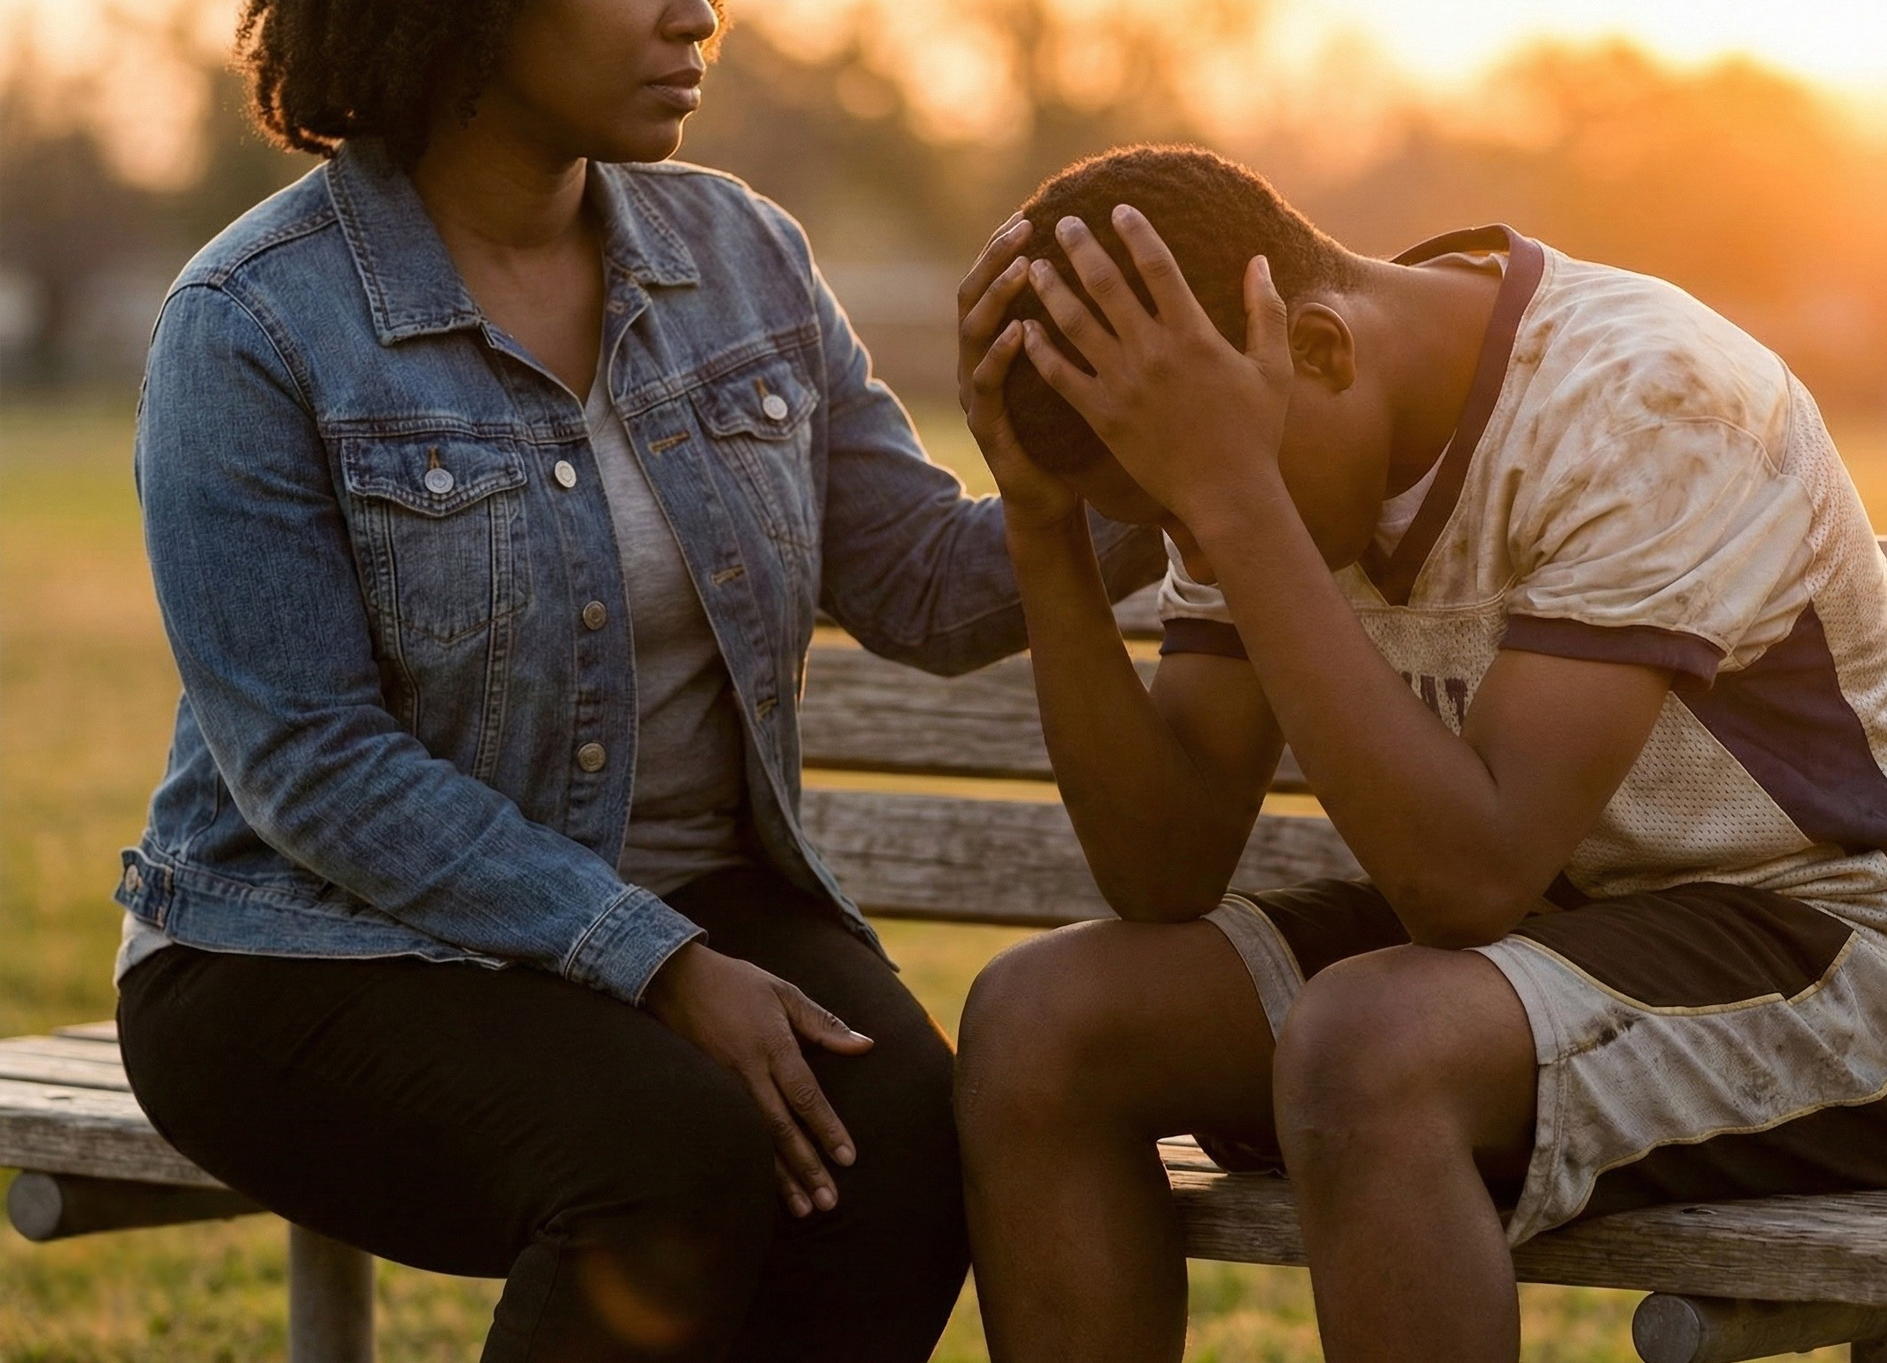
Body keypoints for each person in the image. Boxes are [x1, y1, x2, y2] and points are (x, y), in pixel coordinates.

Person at [109, 4, 1156, 1360]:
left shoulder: (742, 256)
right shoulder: (252, 321)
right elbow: (310, 763)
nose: (698, 13)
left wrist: (1162, 473)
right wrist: (650, 960)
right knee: (663, 1159)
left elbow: (920, 582)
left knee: (895, 1140)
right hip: (303, 942)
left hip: (691, 900)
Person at [949, 145, 1887, 1363]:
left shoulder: (1642, 397)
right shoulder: (1244, 434)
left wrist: (1236, 497)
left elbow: (1464, 884)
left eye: (1193, 506)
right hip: (1543, 942)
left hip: (1860, 964)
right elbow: (1162, 870)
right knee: (1044, 1022)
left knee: (1372, 1045)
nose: (1192, 545)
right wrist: (1043, 527)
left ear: (1320, 350)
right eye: (1166, 516)